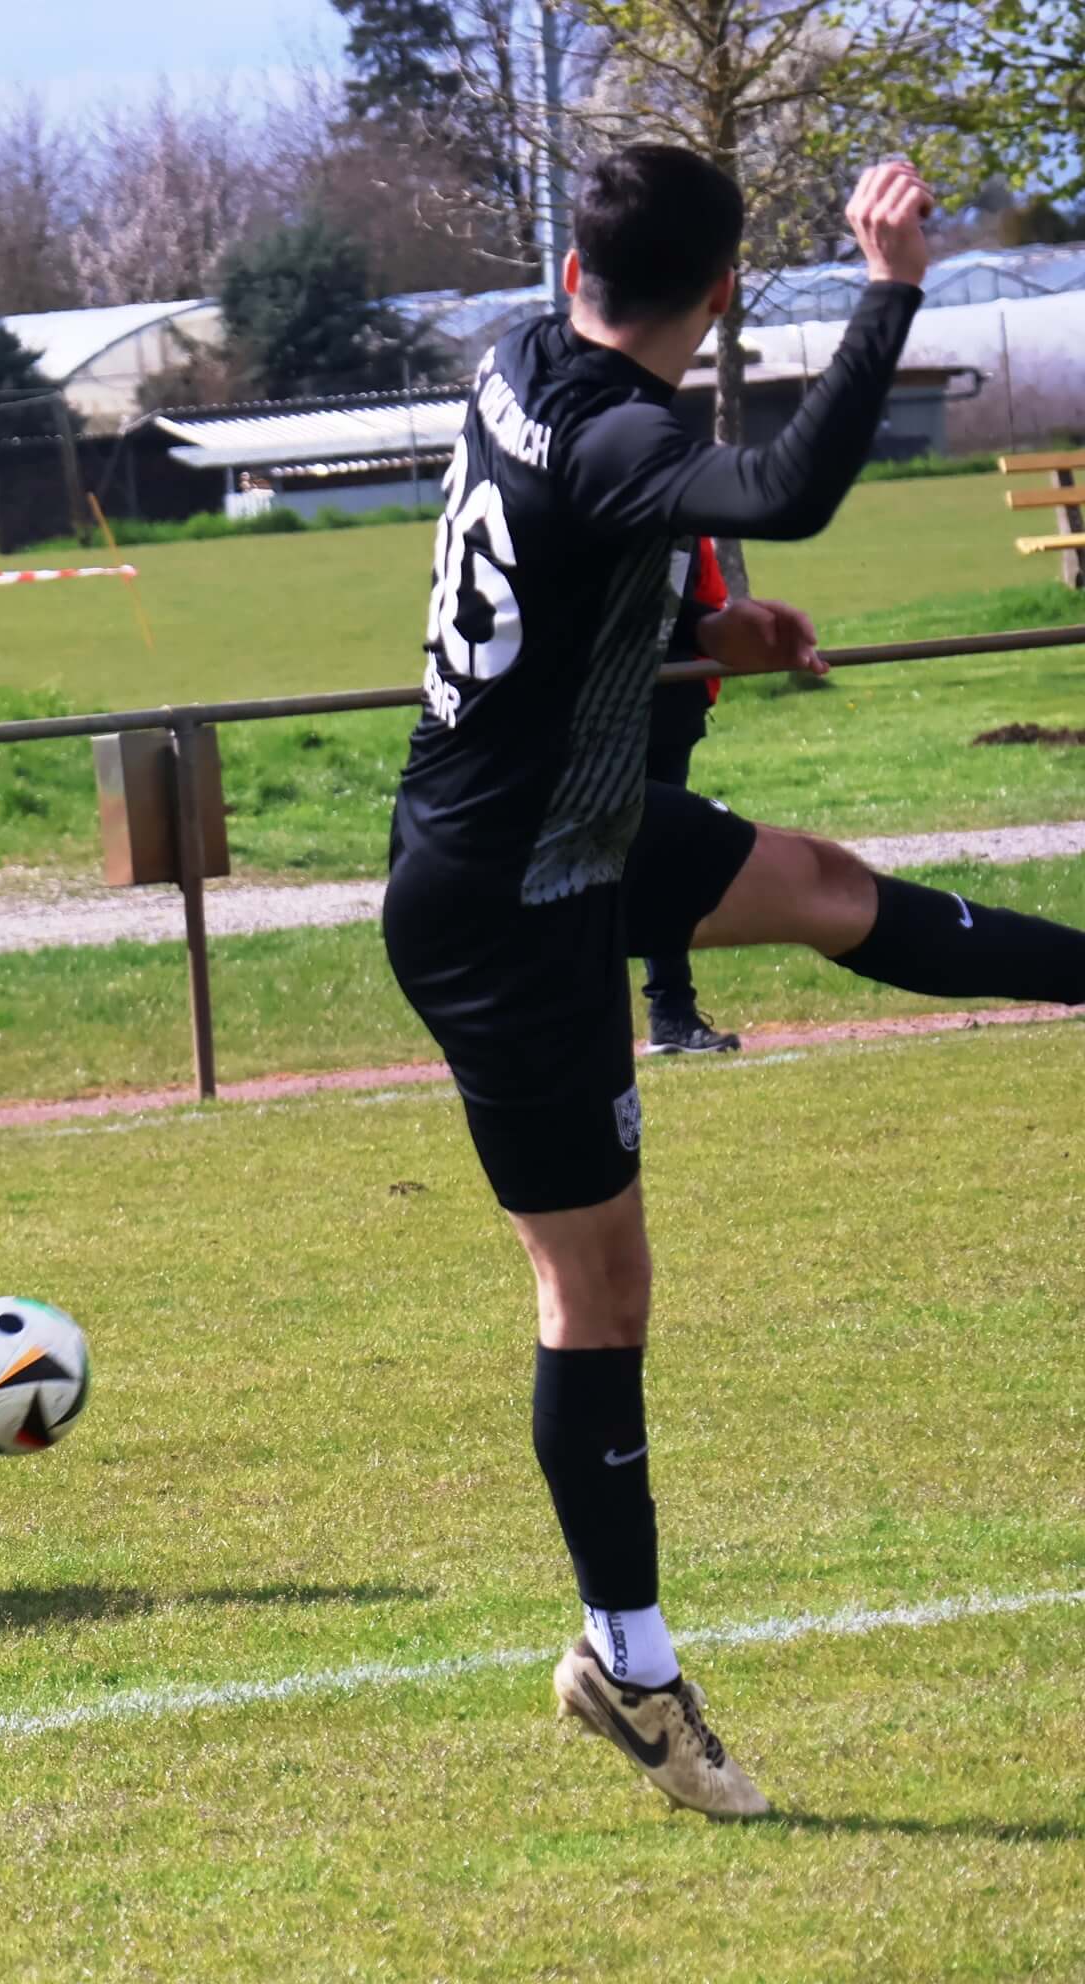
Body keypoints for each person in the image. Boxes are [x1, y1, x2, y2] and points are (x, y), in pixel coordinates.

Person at [382, 146, 1085, 1815]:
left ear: (573, 271)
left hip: (572, 825)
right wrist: (890, 285)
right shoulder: (625, 435)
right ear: (718, 296)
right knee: (597, 1293)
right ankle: (626, 1666)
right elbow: (777, 489)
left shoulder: (512, 355)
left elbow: (560, 581)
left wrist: (713, 637)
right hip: (508, 907)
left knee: (829, 889)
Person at [642, 543, 742, 1055]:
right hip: (587, 713)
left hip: (667, 707)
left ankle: (671, 1012)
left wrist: (702, 687)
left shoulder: (685, 528)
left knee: (660, 862)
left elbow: (703, 600)